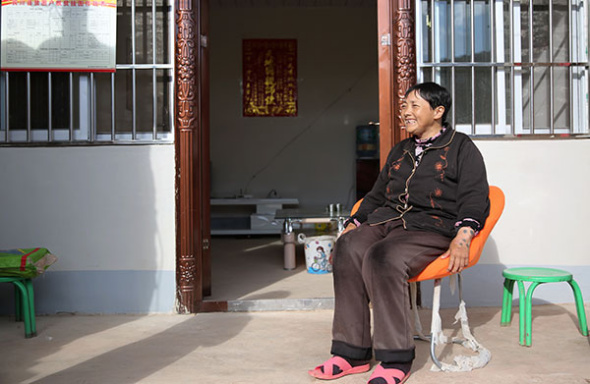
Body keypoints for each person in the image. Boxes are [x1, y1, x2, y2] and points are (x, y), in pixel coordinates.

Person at [308, 82, 490, 384]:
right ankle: (351, 352)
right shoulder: (401, 150)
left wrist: (464, 235)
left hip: (431, 227)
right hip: (386, 220)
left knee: (383, 257)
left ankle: (395, 358)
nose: (405, 112)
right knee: (348, 247)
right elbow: (377, 195)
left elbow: (475, 196)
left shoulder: (461, 147)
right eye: (404, 106)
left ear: (438, 111)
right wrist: (354, 222)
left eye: (414, 106)